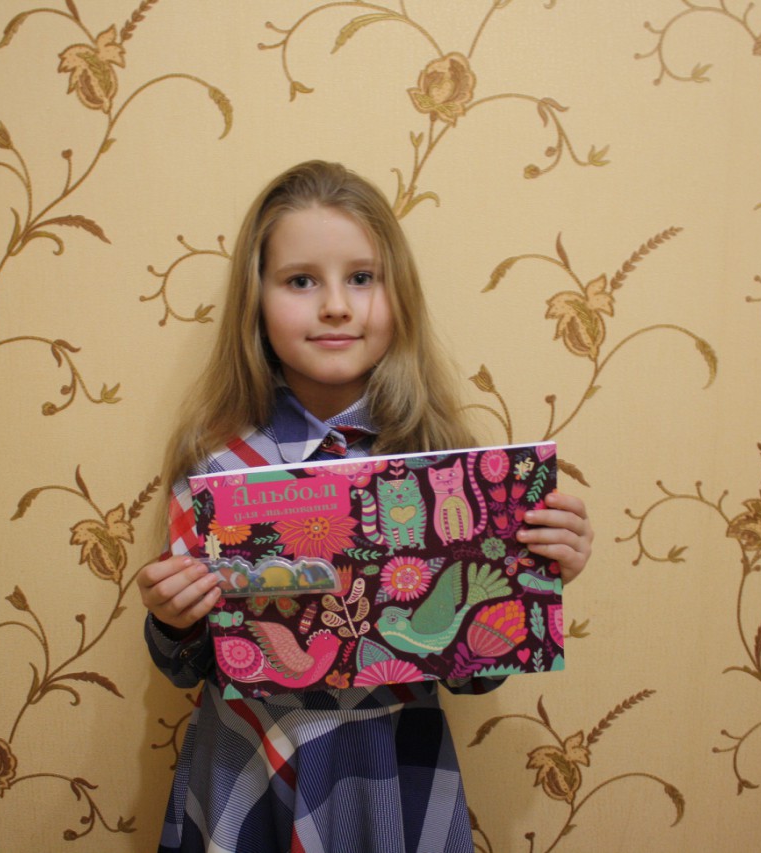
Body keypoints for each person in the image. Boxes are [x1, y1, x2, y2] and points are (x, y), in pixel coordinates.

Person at [136, 160, 594, 853]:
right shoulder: (215, 467)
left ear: (398, 292)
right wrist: (173, 621)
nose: (336, 306)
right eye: (300, 280)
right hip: (248, 766)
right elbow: (187, 666)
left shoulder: (448, 464)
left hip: (393, 770)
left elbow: (476, 676)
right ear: (255, 299)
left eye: (361, 277)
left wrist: (540, 575)